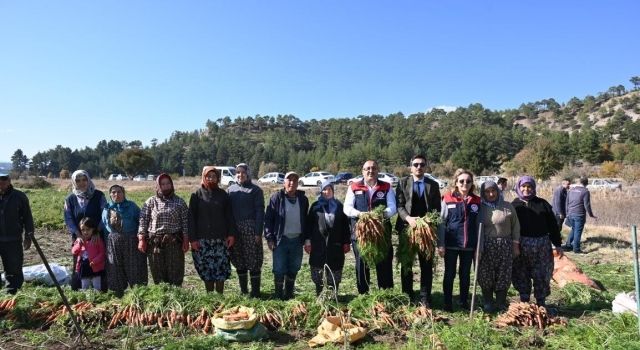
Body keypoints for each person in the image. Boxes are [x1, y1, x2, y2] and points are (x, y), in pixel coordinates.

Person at [344, 160, 397, 294]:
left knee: (384, 262)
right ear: (362, 171)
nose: (370, 171)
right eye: (367, 168)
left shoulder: (386, 187)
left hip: (381, 232)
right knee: (361, 264)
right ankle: (363, 294)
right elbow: (347, 208)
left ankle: (385, 293)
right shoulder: (354, 187)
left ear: (377, 170)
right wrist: (360, 214)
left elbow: (393, 207)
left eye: (373, 168)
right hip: (360, 232)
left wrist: (381, 214)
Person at [395, 155, 442, 306]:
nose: (419, 167)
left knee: (426, 265)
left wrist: (428, 221)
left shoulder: (433, 185)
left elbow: (437, 208)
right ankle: (407, 296)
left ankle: (424, 297)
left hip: (427, 230)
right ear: (411, 166)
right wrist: (408, 219)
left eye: (422, 164)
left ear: (426, 167)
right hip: (407, 229)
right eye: (416, 164)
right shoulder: (403, 183)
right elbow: (400, 206)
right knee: (406, 264)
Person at [511, 176, 564, 307]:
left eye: (529, 186)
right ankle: (524, 302)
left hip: (542, 245)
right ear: (519, 187)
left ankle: (541, 303)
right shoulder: (514, 206)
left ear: (533, 188)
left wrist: (557, 244)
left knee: (542, 273)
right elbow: (510, 227)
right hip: (521, 245)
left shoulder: (542, 204)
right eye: (523, 186)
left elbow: (552, 225)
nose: (526, 189)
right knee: (520, 272)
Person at [437, 169, 481, 312]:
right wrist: (441, 244)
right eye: (461, 181)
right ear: (456, 182)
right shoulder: (447, 198)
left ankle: (463, 301)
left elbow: (479, 224)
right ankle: (447, 302)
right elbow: (442, 222)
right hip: (451, 244)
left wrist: (479, 247)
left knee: (465, 274)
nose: (465, 184)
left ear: (471, 184)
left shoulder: (477, 201)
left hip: (469, 245)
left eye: (468, 181)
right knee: (449, 274)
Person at [188, 166, 237, 293]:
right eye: (208, 176)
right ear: (204, 177)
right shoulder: (196, 195)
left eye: (214, 176)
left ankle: (220, 296)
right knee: (206, 269)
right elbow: (191, 219)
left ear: (218, 178)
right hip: (202, 240)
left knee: (221, 269)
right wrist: (192, 239)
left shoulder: (223, 195)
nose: (211, 178)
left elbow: (229, 216)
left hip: (221, 240)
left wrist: (231, 234)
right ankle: (209, 296)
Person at [138, 173, 189, 286]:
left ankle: (175, 297)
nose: (165, 186)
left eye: (168, 183)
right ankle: (161, 297)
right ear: (158, 186)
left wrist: (186, 240)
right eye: (162, 184)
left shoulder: (179, 202)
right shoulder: (151, 202)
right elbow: (143, 220)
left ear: (171, 185)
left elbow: (186, 223)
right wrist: (141, 239)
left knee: (175, 272)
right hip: (155, 244)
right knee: (158, 273)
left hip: (174, 243)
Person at [264, 171, 309, 300]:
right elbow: (268, 219)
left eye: (295, 180)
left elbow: (305, 220)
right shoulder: (276, 198)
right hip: (280, 239)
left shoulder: (303, 199)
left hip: (297, 240)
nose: (292, 183)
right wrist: (269, 238)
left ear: (297, 183)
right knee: (279, 268)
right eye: (289, 180)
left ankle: (289, 294)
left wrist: (306, 239)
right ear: (284, 182)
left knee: (294, 267)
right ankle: (278, 295)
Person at [477, 181, 520, 312]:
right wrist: (478, 248)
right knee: (486, 274)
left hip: (505, 245)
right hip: (486, 246)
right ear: (482, 193)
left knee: (504, 274)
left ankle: (501, 303)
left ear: (497, 191)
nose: (491, 194)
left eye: (493, 190)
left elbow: (516, 226)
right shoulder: (479, 208)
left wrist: (515, 244)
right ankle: (488, 302)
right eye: (487, 191)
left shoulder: (507, 206)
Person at [304, 180, 351, 296]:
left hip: (335, 245)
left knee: (335, 272)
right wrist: (307, 241)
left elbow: (345, 226)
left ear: (333, 191)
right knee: (318, 271)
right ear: (321, 191)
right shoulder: (315, 207)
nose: (327, 192)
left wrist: (346, 242)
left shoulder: (339, 206)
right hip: (318, 244)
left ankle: (333, 296)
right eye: (324, 189)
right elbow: (308, 225)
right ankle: (319, 295)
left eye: (330, 189)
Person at [64, 170, 107, 290]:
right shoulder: (70, 199)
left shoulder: (99, 196)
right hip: (79, 237)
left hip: (96, 236)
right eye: (78, 180)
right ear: (74, 182)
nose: (81, 183)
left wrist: (97, 231)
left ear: (88, 180)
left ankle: (101, 291)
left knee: (98, 262)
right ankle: (80, 290)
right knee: (80, 262)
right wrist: (78, 235)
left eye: (84, 179)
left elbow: (105, 214)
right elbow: (68, 217)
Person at [102, 185, 147, 297]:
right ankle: (118, 296)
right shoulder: (107, 208)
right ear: (110, 194)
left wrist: (142, 239)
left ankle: (138, 294)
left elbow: (141, 222)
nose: (116, 194)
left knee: (134, 269)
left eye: (119, 192)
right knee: (115, 269)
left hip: (131, 242)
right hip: (113, 243)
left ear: (124, 193)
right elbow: (104, 227)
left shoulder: (132, 207)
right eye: (113, 192)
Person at [228, 163, 265, 297]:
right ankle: (244, 291)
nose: (240, 175)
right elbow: (227, 212)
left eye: (243, 172)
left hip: (251, 230)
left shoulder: (256, 191)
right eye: (238, 172)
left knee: (253, 260)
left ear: (248, 173)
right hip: (235, 230)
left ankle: (255, 292)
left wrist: (258, 232)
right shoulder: (231, 190)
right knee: (239, 260)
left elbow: (260, 212)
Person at [0, 173, 34, 294]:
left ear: (9, 180)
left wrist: (28, 236)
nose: (1, 181)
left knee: (13, 269)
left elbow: (27, 218)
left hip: (13, 239)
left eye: (4, 179)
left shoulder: (19, 196)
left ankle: (13, 293)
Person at [563, 176, 597, 254]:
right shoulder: (585, 191)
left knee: (574, 229)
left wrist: (567, 213)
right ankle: (576, 249)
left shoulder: (571, 190)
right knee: (578, 231)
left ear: (579, 182)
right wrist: (591, 215)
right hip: (579, 215)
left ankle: (568, 246)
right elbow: (587, 205)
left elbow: (566, 203)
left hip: (570, 214)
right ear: (586, 183)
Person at [72, 217, 106, 291]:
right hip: (83, 267)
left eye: (88, 229)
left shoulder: (97, 240)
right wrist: (79, 244)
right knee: (85, 285)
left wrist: (95, 261)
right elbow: (74, 252)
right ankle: (86, 298)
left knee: (97, 285)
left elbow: (102, 253)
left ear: (93, 229)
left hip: (95, 266)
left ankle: (97, 296)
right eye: (83, 230)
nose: (85, 232)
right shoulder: (79, 240)